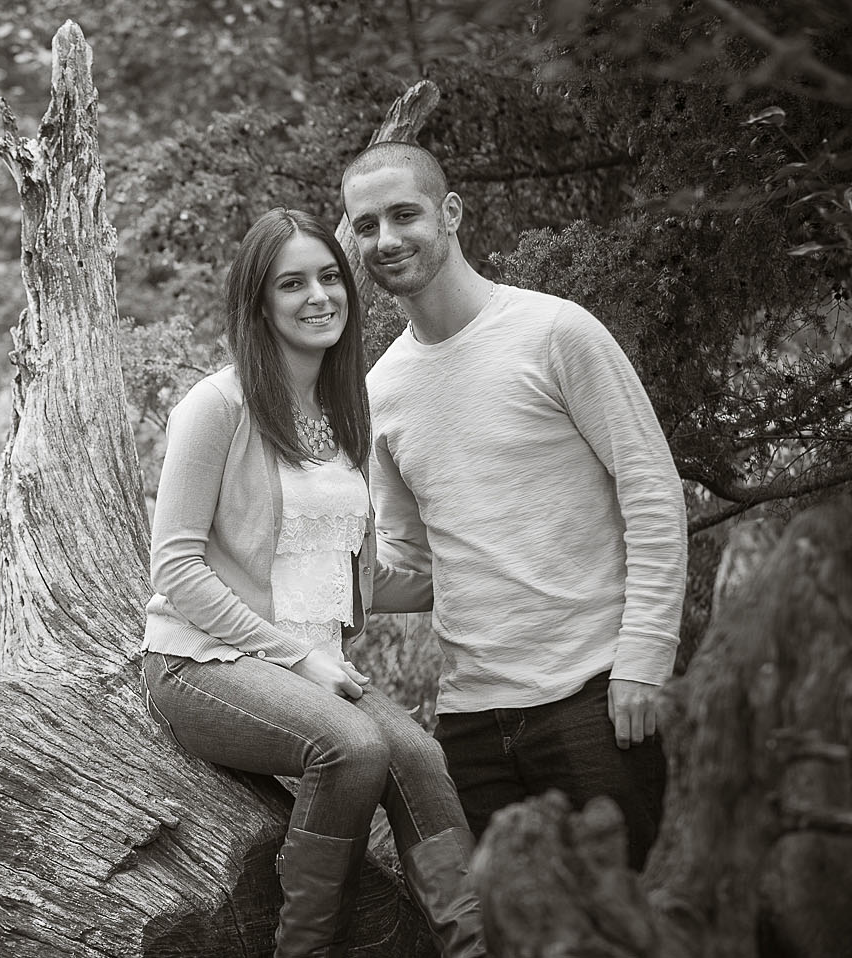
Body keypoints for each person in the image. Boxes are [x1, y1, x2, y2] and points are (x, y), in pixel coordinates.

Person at [140, 208, 485, 958]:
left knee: (418, 757)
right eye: (291, 283)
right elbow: (175, 567)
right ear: (258, 303)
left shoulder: (342, 408)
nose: (318, 296)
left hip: (315, 663)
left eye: (330, 277)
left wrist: (481, 570)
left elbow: (347, 572)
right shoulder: (218, 406)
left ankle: (473, 945)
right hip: (204, 663)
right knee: (354, 747)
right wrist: (296, 660)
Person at [340, 142, 689, 870]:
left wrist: (644, 661)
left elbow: (651, 490)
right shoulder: (382, 391)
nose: (387, 239)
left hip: (594, 699)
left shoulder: (555, 332)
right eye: (366, 225)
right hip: (471, 724)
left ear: (451, 214)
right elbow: (418, 566)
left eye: (404, 214)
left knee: (630, 925)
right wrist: (320, 580)